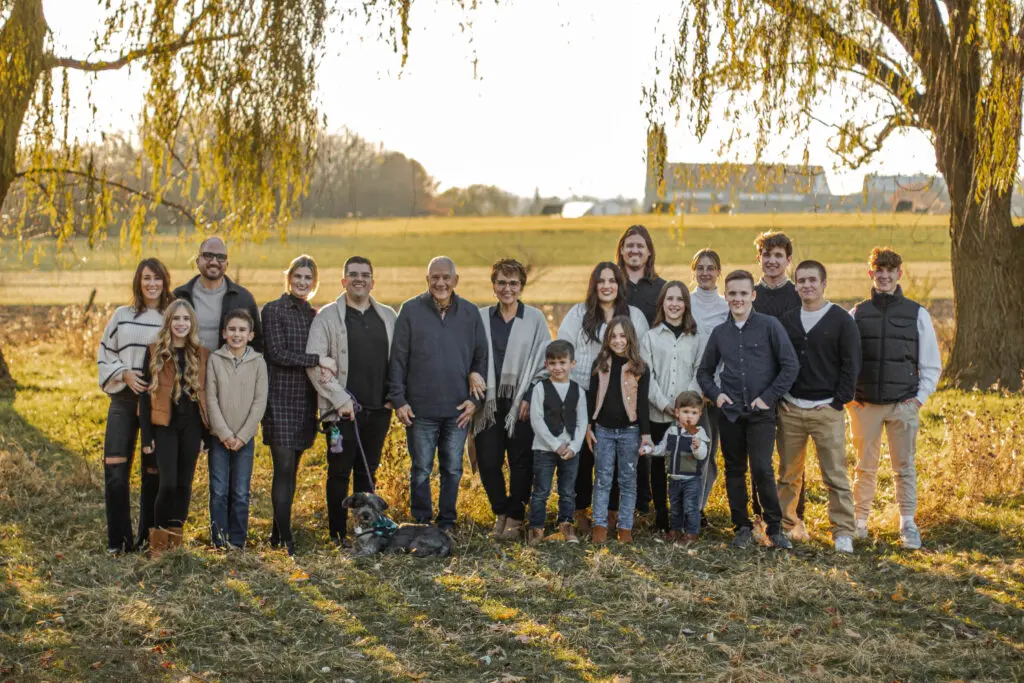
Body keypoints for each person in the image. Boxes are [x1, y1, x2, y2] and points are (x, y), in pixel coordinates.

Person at [697, 270, 799, 550]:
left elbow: (790, 366)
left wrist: (768, 397)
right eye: (732, 293)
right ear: (726, 296)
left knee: (762, 468)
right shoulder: (720, 333)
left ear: (753, 295)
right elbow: (704, 372)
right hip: (730, 413)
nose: (738, 298)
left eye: (743, 293)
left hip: (761, 414)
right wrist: (716, 396)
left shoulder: (769, 326)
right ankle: (741, 527)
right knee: (734, 470)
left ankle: (774, 528)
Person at [848, 247, 941, 550]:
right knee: (864, 466)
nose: (884, 276)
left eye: (890, 271)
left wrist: (918, 399)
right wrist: (849, 396)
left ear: (899, 274)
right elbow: (845, 360)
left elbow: (931, 363)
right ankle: (859, 523)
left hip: (903, 403)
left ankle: (907, 523)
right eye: (879, 270)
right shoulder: (857, 314)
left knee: (904, 467)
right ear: (870, 273)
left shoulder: (917, 313)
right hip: (866, 404)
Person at [389, 256, 488, 532]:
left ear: (455, 280)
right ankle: (421, 522)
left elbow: (481, 358)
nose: (440, 283)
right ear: (427, 280)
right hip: (420, 409)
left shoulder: (470, 313)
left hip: (458, 410)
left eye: (446, 277)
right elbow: (397, 359)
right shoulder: (410, 310)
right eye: (435, 277)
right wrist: (399, 400)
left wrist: (475, 400)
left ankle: (446, 523)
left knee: (452, 468)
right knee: (421, 468)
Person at [306, 256, 397, 547]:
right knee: (339, 473)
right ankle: (337, 534)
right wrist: (340, 398)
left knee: (367, 474)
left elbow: (399, 360)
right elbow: (314, 364)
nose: (360, 279)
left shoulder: (388, 316)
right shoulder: (327, 317)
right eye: (354, 274)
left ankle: (365, 534)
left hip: (378, 410)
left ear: (372, 281)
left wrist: (394, 396)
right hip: (342, 413)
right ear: (343, 280)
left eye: (365, 274)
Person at [557, 262, 649, 536]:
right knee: (585, 456)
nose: (607, 286)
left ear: (620, 285)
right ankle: (580, 511)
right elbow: (563, 347)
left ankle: (614, 513)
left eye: (612, 280)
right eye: (601, 280)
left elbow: (643, 357)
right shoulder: (579, 314)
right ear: (594, 285)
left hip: (619, 398)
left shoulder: (633, 315)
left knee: (619, 459)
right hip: (583, 393)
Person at [777, 261, 861, 553]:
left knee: (835, 475)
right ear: (796, 285)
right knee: (788, 475)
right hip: (791, 409)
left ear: (824, 283)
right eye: (801, 281)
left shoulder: (841, 320)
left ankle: (843, 531)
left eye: (812, 280)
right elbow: (778, 361)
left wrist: (838, 402)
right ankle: (786, 526)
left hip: (827, 410)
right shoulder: (788, 320)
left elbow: (852, 364)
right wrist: (782, 397)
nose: (807, 285)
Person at [471, 259, 551, 541]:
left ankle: (515, 518)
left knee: (521, 462)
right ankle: (501, 512)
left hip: (521, 402)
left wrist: (528, 396)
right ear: (493, 286)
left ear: (521, 286)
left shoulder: (535, 319)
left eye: (513, 283)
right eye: (502, 283)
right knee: (488, 461)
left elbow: (545, 363)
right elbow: (468, 354)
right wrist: (472, 374)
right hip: (488, 402)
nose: (507, 288)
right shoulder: (480, 317)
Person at [97, 258, 173, 553]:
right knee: (115, 470)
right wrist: (124, 373)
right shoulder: (122, 315)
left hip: (156, 401)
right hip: (124, 398)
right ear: (138, 282)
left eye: (157, 278)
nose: (152, 284)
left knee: (153, 472)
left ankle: (146, 539)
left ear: (165, 282)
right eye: (147, 278)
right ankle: (119, 542)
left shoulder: (171, 316)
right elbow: (105, 353)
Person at [262, 254, 332, 555]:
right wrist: (316, 360)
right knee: (283, 468)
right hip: (278, 399)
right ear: (289, 278)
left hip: (305, 401)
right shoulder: (273, 310)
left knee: (293, 472)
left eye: (308, 278)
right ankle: (287, 539)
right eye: (298, 277)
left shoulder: (314, 315)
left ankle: (277, 533)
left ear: (314, 283)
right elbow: (277, 353)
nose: (302, 282)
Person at [138, 300, 210, 556]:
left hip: (192, 427)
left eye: (186, 319)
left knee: (183, 485)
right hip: (165, 427)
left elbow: (206, 396)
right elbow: (144, 397)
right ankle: (158, 546)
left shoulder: (202, 354)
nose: (181, 323)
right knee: (167, 484)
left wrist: (206, 435)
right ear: (168, 323)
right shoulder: (154, 352)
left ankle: (175, 544)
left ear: (192, 323)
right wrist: (147, 436)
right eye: (176, 319)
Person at [750, 230, 805, 542]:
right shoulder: (751, 295)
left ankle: (795, 518)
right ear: (759, 258)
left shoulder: (798, 295)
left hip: (793, 389)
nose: (772, 261)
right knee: (759, 460)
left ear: (788, 260)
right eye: (767, 255)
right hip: (758, 390)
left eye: (778, 256)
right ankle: (759, 517)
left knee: (792, 461)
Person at [640, 280, 703, 533]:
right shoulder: (651, 337)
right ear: (662, 303)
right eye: (669, 299)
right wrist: (666, 405)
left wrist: (686, 407)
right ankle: (662, 515)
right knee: (658, 465)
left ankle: (686, 515)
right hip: (659, 412)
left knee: (686, 465)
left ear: (686, 304)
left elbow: (699, 371)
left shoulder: (696, 337)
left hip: (687, 417)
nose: (674, 304)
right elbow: (648, 376)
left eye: (679, 299)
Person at [585, 316, 653, 544]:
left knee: (627, 480)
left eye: (623, 336)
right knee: (602, 479)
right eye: (613, 336)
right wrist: (588, 426)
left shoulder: (639, 368)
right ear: (607, 339)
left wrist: (645, 435)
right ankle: (599, 526)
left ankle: (625, 528)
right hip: (603, 431)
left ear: (630, 338)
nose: (618, 340)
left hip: (629, 432)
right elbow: (591, 397)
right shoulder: (600, 364)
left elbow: (642, 404)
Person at [206, 309, 268, 549]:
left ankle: (238, 540)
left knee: (241, 492)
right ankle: (219, 540)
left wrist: (242, 436)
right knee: (219, 490)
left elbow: (259, 402)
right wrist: (224, 434)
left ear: (250, 335)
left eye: (242, 330)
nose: (236, 334)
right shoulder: (215, 360)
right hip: (219, 437)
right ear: (224, 333)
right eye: (232, 329)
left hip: (245, 438)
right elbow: (211, 399)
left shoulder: (258, 362)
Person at [615, 224, 666, 518]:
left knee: (646, 434)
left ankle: (645, 504)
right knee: (620, 435)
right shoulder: (612, 284)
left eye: (640, 246)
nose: (634, 250)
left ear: (649, 252)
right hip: (617, 373)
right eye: (629, 245)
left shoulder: (660, 288)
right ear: (622, 251)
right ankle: (620, 503)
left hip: (649, 371)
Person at [527, 340, 588, 545]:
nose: (557, 367)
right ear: (546, 364)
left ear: (572, 364)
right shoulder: (540, 389)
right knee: (541, 491)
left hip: (570, 450)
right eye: (552, 363)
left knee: (568, 491)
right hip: (544, 449)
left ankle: (566, 525)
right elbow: (536, 420)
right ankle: (536, 528)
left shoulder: (578, 391)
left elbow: (582, 422)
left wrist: (574, 447)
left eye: (562, 362)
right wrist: (555, 445)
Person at [688, 248, 729, 526]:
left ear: (718, 272)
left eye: (710, 267)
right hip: (689, 392)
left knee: (710, 450)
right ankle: (686, 506)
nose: (705, 272)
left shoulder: (726, 307)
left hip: (716, 391)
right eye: (700, 267)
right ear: (694, 271)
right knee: (691, 449)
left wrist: (716, 390)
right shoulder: (685, 303)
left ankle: (699, 507)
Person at [172, 236, 263, 352]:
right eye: (208, 255)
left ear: (227, 264)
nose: (214, 262)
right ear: (198, 261)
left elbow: (257, 343)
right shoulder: (179, 296)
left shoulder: (244, 299)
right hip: (187, 363)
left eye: (221, 257)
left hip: (228, 364)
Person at [650, 391, 710, 545]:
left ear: (699, 415)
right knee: (675, 506)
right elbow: (663, 449)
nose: (689, 416)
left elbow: (702, 455)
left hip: (691, 479)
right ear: (677, 413)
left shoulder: (698, 433)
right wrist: (650, 449)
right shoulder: (671, 431)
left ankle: (692, 533)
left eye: (694, 413)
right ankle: (676, 530)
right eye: (685, 412)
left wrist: (697, 447)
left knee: (690, 507)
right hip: (674, 478)